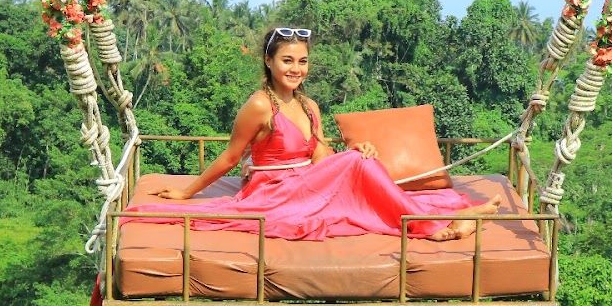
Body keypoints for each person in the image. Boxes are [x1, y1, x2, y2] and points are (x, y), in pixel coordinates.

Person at [124, 26, 500, 241]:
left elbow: (322, 159)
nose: (295, 68)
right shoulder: (259, 105)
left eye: (302, 61)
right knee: (356, 172)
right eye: (287, 60)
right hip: (273, 191)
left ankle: (445, 218)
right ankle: (435, 225)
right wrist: (187, 192)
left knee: (360, 164)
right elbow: (230, 157)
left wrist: (356, 155)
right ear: (269, 62)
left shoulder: (308, 106)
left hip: (306, 183)